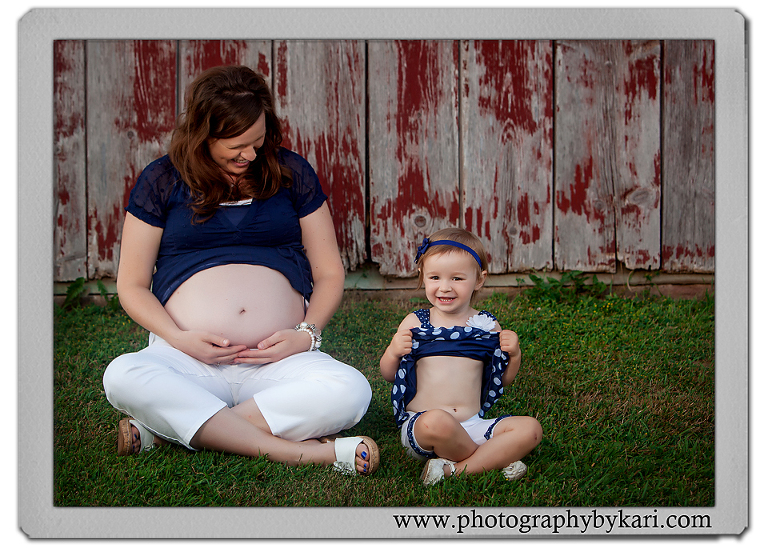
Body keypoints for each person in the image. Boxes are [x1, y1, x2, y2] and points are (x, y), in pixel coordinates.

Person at [102, 65, 378, 476]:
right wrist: (178, 338)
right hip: (186, 359)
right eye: (236, 145)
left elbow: (329, 273)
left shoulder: (290, 173)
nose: (249, 154)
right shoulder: (161, 180)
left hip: (277, 364)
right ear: (203, 134)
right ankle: (298, 452)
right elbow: (132, 285)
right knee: (122, 374)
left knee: (353, 390)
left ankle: (169, 431)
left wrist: (307, 335)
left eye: (258, 140)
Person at [379, 228, 542, 485]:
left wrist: (515, 354)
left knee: (530, 429)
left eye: (457, 278)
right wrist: (393, 351)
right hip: (425, 426)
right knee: (438, 421)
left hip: (472, 424)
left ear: (479, 279)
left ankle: (450, 470)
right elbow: (389, 375)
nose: (445, 287)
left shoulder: (486, 325)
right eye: (435, 277)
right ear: (423, 275)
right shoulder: (416, 322)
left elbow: (503, 379)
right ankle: (491, 459)